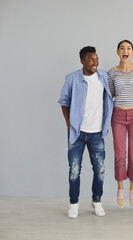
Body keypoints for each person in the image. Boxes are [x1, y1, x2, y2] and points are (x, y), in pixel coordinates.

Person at [58, 46, 113, 219]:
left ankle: (96, 201)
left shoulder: (104, 76)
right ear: (82, 61)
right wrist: (69, 123)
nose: (95, 62)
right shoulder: (72, 78)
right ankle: (73, 204)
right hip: (77, 133)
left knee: (100, 170)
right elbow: (64, 101)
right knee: (74, 170)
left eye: (96, 58)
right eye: (91, 59)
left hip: (97, 133)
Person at [108, 40, 133, 208]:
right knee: (119, 154)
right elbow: (110, 96)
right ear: (117, 52)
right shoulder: (111, 73)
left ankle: (132, 187)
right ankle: (120, 187)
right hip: (117, 115)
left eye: (129, 48)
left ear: (132, 52)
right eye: (122, 48)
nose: (125, 50)